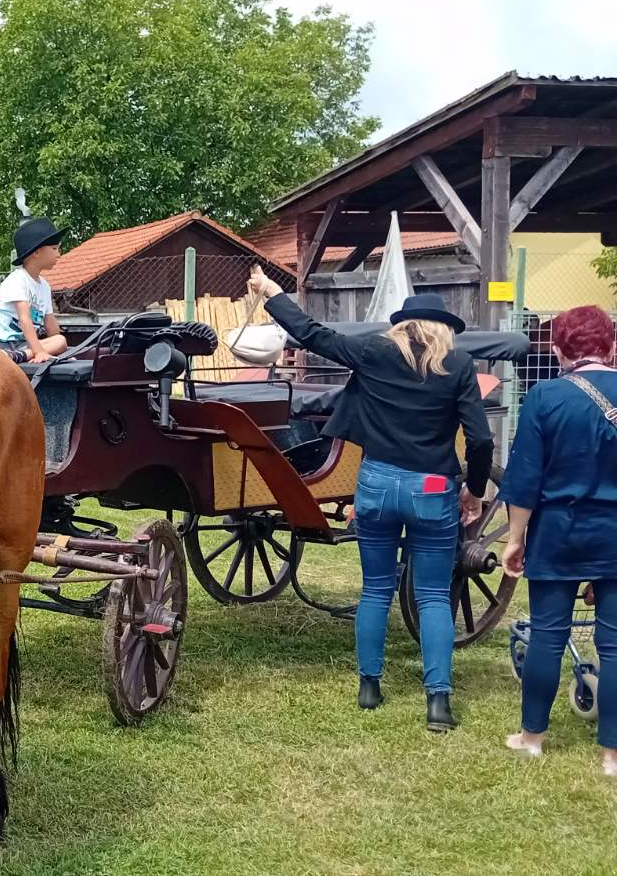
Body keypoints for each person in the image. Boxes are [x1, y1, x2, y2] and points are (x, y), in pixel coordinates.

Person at [247, 266, 490, 732]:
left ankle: (369, 686)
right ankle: (437, 702)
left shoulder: (374, 351)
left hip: (375, 482)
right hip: (433, 487)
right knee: (435, 596)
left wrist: (274, 293)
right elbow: (480, 441)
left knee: (375, 589)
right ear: (445, 331)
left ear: (402, 325)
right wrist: (474, 492)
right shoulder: (458, 367)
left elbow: (311, 334)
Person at [498, 305, 617, 777]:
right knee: (615, 645)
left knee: (548, 636)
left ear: (556, 349)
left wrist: (514, 538)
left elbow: (525, 479)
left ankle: (532, 738)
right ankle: (612, 755)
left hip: (560, 530)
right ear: (610, 346)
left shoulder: (544, 397)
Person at [0, 216, 69, 364]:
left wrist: (60, 352)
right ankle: (17, 354)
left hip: (19, 346)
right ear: (36, 253)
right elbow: (24, 319)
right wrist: (38, 352)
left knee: (60, 341)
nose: (59, 254)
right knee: (48, 345)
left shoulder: (44, 286)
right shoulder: (18, 279)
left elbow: (50, 321)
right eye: (54, 248)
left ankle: (19, 356)